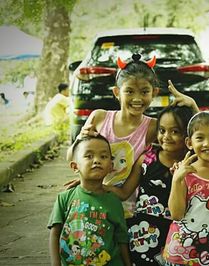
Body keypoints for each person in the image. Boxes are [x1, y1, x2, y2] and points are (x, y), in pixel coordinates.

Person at [65, 53, 199, 219]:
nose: (137, 98)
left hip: (131, 212)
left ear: (154, 92)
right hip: (95, 203)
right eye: (129, 91)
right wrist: (80, 140)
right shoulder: (99, 118)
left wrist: (193, 107)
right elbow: (71, 157)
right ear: (116, 92)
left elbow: (193, 143)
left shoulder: (153, 127)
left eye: (144, 92)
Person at [105, 105, 194, 265]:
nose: (166, 136)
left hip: (179, 235)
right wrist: (96, 185)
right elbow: (124, 192)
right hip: (143, 235)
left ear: (187, 136)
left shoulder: (194, 165)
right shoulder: (146, 160)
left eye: (175, 131)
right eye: (162, 130)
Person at [48, 134, 130, 266]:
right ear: (75, 166)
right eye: (89, 156)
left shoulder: (114, 202)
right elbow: (55, 234)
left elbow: (121, 239)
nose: (97, 160)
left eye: (103, 156)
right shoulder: (64, 198)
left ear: (110, 166)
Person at [163, 111, 209, 266]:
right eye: (200, 138)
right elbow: (176, 214)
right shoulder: (185, 173)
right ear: (189, 142)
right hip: (181, 256)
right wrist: (177, 180)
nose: (207, 143)